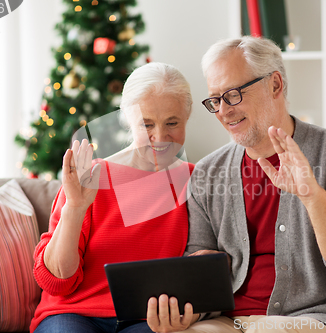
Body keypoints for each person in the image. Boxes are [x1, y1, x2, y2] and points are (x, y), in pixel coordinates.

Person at [146, 36, 326, 333]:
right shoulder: (208, 172)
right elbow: (201, 275)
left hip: (320, 319)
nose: (223, 110)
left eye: (233, 94)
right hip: (228, 321)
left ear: (275, 85)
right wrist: (188, 310)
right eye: (216, 99)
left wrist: (313, 198)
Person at [30, 62, 195, 333]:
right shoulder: (90, 177)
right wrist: (75, 207)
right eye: (147, 124)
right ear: (128, 120)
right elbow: (56, 281)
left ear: (186, 117)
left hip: (148, 320)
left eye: (172, 123)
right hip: (75, 314)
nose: (161, 137)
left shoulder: (195, 182)